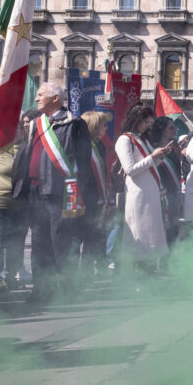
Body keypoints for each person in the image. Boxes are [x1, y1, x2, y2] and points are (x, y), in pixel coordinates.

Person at [11, 83, 94, 301]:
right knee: (39, 243)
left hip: (61, 193)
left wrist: (75, 191)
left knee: (61, 242)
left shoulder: (75, 124)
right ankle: (42, 289)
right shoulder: (37, 123)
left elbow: (84, 162)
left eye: (40, 95)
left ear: (55, 98)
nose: (37, 99)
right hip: (35, 191)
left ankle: (65, 290)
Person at [115, 103, 172, 270]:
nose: (148, 126)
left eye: (150, 122)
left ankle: (150, 271)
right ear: (136, 119)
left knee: (152, 235)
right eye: (146, 122)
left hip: (151, 193)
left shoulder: (140, 139)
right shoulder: (125, 139)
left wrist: (159, 157)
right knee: (141, 234)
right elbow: (131, 169)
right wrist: (153, 156)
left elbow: (147, 166)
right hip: (138, 195)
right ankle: (139, 274)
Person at [0, 111, 37, 292]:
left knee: (16, 243)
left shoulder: (27, 149)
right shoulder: (0, 149)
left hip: (21, 204)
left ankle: (11, 275)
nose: (17, 131)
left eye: (19, 127)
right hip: (1, 204)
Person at [77, 110, 113, 273]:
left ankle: (86, 274)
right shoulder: (81, 146)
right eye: (103, 124)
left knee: (92, 239)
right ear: (93, 126)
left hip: (95, 199)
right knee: (81, 238)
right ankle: (78, 276)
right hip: (84, 200)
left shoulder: (98, 145)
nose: (106, 127)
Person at [148, 116, 184, 246]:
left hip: (173, 192)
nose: (174, 130)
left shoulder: (174, 146)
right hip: (158, 193)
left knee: (173, 227)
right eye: (171, 127)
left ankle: (170, 260)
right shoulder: (151, 147)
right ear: (162, 130)